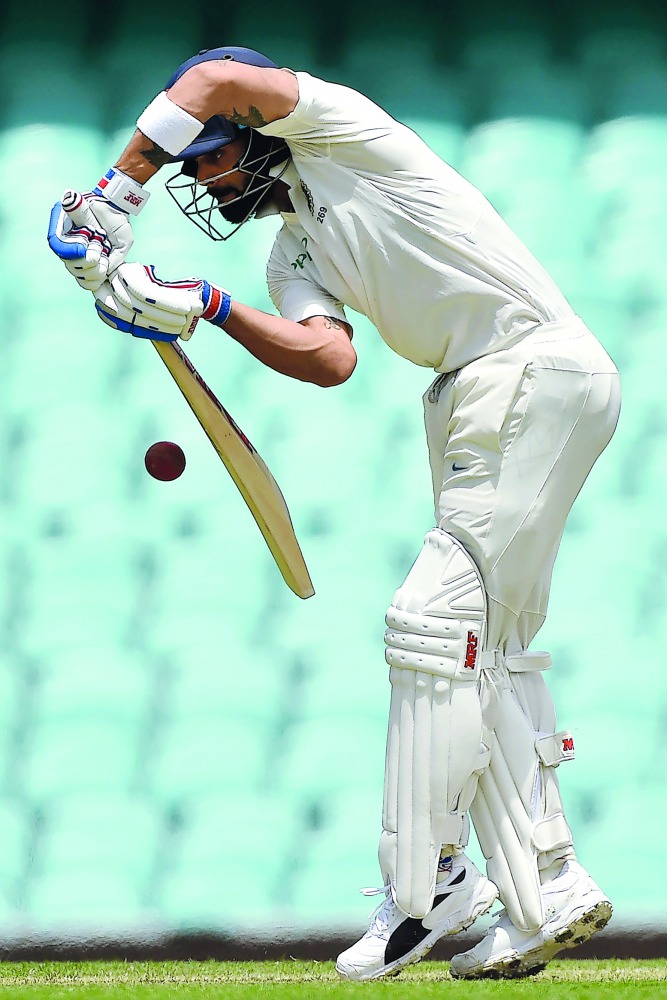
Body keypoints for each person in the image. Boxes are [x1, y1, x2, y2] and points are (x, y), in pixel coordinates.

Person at [47, 45, 620, 980]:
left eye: (207, 156)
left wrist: (119, 192)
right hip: (477, 391)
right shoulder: (292, 251)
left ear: (256, 134)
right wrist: (203, 306)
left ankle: (428, 890)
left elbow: (212, 74)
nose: (199, 175)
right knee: (487, 649)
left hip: (527, 370)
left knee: (429, 625)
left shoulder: (342, 134)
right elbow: (328, 360)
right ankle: (543, 887)